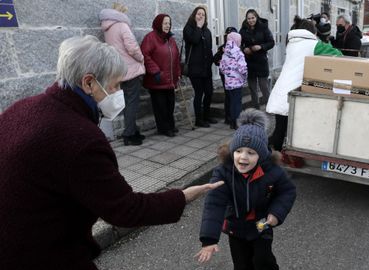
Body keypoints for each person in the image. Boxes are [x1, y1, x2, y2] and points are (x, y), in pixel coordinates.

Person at [0, 35, 223, 269]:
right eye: (115, 85)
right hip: (41, 253)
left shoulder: (23, 107)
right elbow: (125, 209)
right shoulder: (79, 139)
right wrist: (184, 195)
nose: (119, 93)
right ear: (88, 83)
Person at [195, 109, 296, 269]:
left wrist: (276, 213)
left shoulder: (272, 171)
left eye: (251, 152)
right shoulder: (223, 172)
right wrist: (209, 239)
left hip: (262, 224)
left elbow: (287, 191)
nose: (243, 157)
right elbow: (214, 204)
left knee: (263, 261)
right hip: (236, 226)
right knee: (242, 264)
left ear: (261, 156)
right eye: (238, 151)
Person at [267, 16, 342, 152]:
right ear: (313, 32)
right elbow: (338, 55)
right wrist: (325, 41)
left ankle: (269, 154)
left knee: (280, 130)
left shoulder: (292, 43)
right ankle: (270, 159)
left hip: (281, 92)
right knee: (286, 134)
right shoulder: (314, 45)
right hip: (292, 96)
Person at [99, 3, 146, 145]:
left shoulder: (107, 28)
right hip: (130, 70)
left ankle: (133, 129)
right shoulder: (122, 25)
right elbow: (132, 48)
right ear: (121, 13)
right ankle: (129, 135)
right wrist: (141, 58)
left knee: (126, 103)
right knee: (132, 103)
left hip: (118, 70)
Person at [141, 14, 181, 137]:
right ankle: (163, 128)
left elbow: (176, 58)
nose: (167, 25)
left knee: (170, 104)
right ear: (159, 23)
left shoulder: (171, 39)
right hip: (157, 79)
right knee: (160, 106)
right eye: (165, 23)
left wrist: (178, 74)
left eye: (169, 23)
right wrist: (155, 71)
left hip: (170, 80)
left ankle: (170, 125)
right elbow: (144, 55)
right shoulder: (150, 37)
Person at [183, 6, 217, 128]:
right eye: (198, 14)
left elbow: (209, 49)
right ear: (194, 15)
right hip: (194, 68)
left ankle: (206, 116)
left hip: (206, 68)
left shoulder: (207, 31)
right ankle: (199, 119)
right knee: (199, 93)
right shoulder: (188, 29)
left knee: (209, 92)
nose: (201, 16)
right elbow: (195, 40)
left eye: (203, 14)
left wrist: (214, 60)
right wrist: (198, 26)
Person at [240, 9, 275, 109]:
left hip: (261, 61)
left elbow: (271, 42)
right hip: (249, 62)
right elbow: (238, 44)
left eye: (252, 18)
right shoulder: (243, 30)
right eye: (248, 18)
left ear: (256, 17)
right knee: (252, 88)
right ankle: (256, 108)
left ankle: (270, 108)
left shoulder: (263, 28)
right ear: (246, 19)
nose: (251, 20)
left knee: (264, 87)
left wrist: (261, 47)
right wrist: (244, 49)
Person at [219, 32, 248, 130]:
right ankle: (237, 123)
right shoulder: (239, 53)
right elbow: (242, 68)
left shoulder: (225, 53)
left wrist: (227, 74)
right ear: (237, 41)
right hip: (237, 82)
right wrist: (244, 76)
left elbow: (221, 68)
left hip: (228, 82)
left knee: (232, 102)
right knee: (237, 102)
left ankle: (232, 122)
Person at [213, 26, 238, 125]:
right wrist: (219, 61)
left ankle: (234, 117)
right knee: (228, 96)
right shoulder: (222, 47)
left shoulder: (238, 47)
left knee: (235, 97)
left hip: (236, 76)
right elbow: (215, 59)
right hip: (226, 76)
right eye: (228, 36)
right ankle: (228, 118)